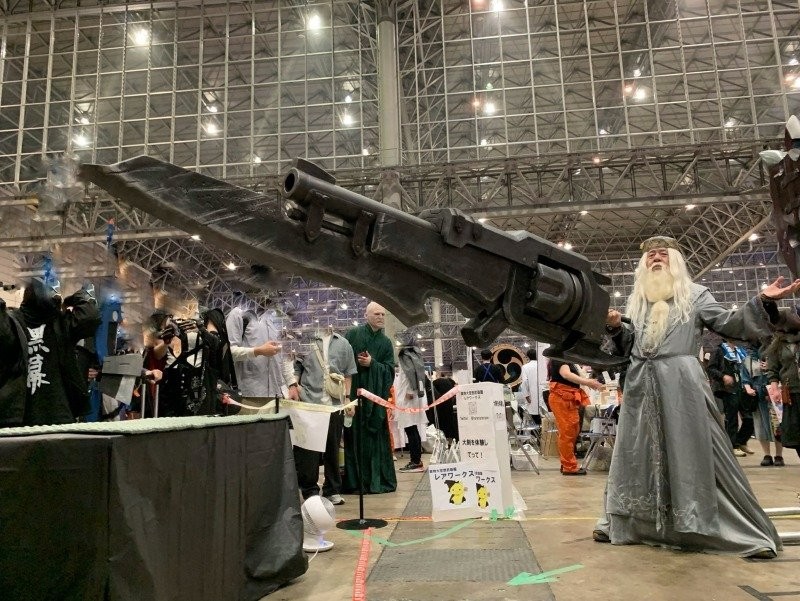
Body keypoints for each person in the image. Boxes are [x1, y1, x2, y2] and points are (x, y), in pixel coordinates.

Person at [596, 235, 798, 559]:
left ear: (675, 260)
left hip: (682, 386)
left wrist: (763, 301)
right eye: (651, 255)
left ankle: (734, 529)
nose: (656, 258)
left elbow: (729, 322)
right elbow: (627, 348)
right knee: (636, 452)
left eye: (663, 254)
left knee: (698, 450)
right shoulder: (636, 300)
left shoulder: (695, 294)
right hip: (640, 386)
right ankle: (625, 522)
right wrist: (616, 328)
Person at [0, 280, 101, 427]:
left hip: (40, 415)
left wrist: (77, 297)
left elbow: (90, 318)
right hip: (30, 416)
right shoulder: (14, 322)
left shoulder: (60, 323)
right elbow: (90, 316)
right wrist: (80, 297)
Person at [289, 327, 357, 505]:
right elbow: (296, 367)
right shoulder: (305, 341)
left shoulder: (344, 344)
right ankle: (309, 490)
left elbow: (348, 373)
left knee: (333, 448)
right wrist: (294, 386)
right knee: (308, 450)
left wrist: (348, 399)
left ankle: (332, 490)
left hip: (335, 404)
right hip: (309, 402)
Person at [342, 302, 397, 494]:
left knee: (376, 439)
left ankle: (376, 481)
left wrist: (372, 363)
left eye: (383, 314)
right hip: (354, 396)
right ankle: (355, 482)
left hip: (375, 400)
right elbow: (342, 361)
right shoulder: (353, 335)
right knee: (354, 438)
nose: (381, 317)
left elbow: (390, 371)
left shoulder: (386, 343)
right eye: (376, 314)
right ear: (366, 315)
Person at [548, 358, 603, 475]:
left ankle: (567, 463)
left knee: (572, 431)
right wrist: (588, 382)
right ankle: (569, 466)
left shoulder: (563, 359)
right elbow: (566, 374)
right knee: (567, 432)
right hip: (563, 398)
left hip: (567, 398)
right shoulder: (559, 358)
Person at [225, 305, 284, 399]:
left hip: (274, 394)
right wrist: (258, 351)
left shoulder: (270, 317)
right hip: (249, 393)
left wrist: (288, 386)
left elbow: (279, 359)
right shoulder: (238, 314)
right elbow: (228, 354)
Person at [707, 338, 754, 456]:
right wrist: (723, 376)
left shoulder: (740, 350)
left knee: (749, 417)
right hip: (727, 388)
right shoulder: (719, 350)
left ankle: (741, 441)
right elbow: (711, 368)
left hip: (741, 387)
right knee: (732, 418)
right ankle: (732, 445)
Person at [395, 343, 429, 473]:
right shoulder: (414, 355)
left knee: (410, 429)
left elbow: (409, 373)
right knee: (412, 429)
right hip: (412, 396)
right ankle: (416, 461)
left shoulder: (405, 355)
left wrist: (410, 390)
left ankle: (415, 462)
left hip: (408, 398)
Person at [517, 348, 541, 425]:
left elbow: (524, 382)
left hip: (532, 396)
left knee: (535, 420)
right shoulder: (542, 366)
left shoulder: (525, 367)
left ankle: (536, 432)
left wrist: (526, 396)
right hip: (544, 396)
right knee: (545, 419)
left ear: (528, 357)